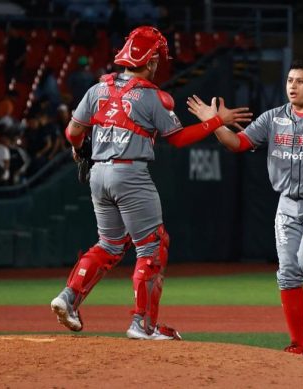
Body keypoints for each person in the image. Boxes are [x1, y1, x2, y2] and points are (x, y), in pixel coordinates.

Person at [50, 26, 251, 340]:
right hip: (130, 174)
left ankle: (69, 297)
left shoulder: (97, 89)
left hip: (99, 175)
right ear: (152, 61)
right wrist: (216, 121)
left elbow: (73, 133)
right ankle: (142, 325)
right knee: (153, 248)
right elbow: (180, 139)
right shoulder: (151, 97)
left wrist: (80, 151)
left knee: (109, 245)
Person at [187, 60, 303, 359]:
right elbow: (237, 143)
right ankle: (298, 345)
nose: (292, 86)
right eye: (289, 80)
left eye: (300, 81)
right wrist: (215, 124)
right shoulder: (273, 118)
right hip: (287, 203)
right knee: (287, 273)